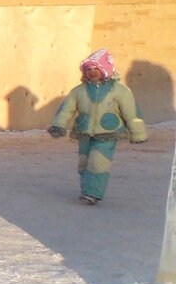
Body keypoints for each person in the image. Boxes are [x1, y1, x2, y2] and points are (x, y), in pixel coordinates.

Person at [49, 47, 146, 205]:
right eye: (88, 69)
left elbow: (131, 113)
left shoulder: (120, 91)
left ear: (106, 70)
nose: (91, 72)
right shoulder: (78, 92)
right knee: (84, 164)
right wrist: (58, 125)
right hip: (85, 132)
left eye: (96, 69)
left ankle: (93, 193)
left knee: (98, 162)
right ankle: (87, 189)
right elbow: (66, 110)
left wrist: (138, 133)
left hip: (107, 133)